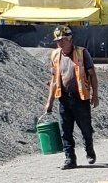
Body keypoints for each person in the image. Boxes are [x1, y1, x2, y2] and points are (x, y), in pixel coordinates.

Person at [41, 26, 99, 170]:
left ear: (70, 39)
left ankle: (89, 150)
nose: (60, 43)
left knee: (85, 128)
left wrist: (95, 95)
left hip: (81, 98)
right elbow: (54, 80)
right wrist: (50, 102)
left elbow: (92, 75)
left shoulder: (82, 53)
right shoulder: (55, 55)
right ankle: (70, 159)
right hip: (64, 99)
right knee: (65, 131)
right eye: (58, 41)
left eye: (63, 40)